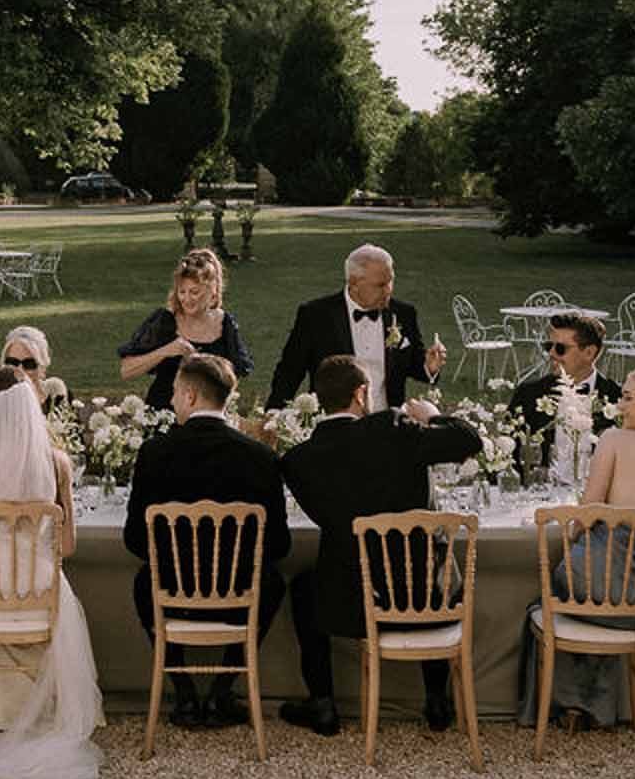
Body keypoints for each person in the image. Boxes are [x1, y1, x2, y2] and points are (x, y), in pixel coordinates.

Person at [277, 356, 480, 736]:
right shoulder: (393, 429)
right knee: (429, 570)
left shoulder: (298, 462)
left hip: (352, 605)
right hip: (423, 598)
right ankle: (436, 699)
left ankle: (322, 702)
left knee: (303, 588)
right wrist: (433, 415)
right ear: (361, 393)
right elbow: (470, 440)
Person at [516, 364, 635, 732]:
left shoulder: (615, 441)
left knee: (557, 603)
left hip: (586, 584)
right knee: (608, 598)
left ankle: (564, 709)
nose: (619, 406)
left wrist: (592, 548)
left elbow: (584, 519)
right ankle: (595, 708)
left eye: (626, 398)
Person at [0, 365, 103, 779]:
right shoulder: (58, 464)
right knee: (54, 583)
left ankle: (7, 713)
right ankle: (48, 712)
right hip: (39, 598)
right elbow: (67, 549)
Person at [123, 353, 289, 730]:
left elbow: (135, 540)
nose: (170, 401)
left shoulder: (155, 453)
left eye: (175, 393)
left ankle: (182, 689)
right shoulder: (260, 456)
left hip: (171, 599)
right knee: (273, 580)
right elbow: (279, 546)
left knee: (142, 579)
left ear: (192, 397)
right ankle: (222, 688)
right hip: (239, 601)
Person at [267, 244, 445, 413]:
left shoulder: (404, 314)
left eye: (391, 281)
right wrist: (273, 415)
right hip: (336, 426)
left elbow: (414, 364)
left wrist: (429, 367)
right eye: (380, 285)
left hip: (388, 424)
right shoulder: (316, 316)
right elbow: (289, 372)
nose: (388, 291)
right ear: (353, 283)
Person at [117, 247, 255, 409]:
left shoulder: (224, 323)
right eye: (182, 291)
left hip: (207, 415)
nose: (186, 299)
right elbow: (126, 370)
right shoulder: (165, 321)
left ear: (213, 291)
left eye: (194, 292)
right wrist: (167, 350)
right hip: (165, 413)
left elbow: (234, 375)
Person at [505, 313, 624, 475]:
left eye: (560, 348)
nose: (551, 353)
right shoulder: (529, 393)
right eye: (549, 346)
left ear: (589, 352)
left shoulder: (619, 398)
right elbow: (508, 452)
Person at [3, 325, 70, 411]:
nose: (20, 370)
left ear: (43, 365)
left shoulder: (53, 389)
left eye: (29, 364)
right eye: (12, 362)